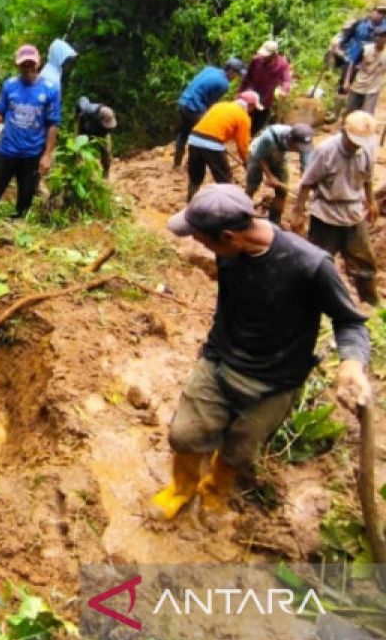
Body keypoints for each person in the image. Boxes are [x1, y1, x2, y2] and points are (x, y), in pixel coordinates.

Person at [151, 184, 371, 520]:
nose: (198, 245)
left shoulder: (311, 266)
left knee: (239, 451)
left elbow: (351, 322)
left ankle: (216, 490)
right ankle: (182, 488)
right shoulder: (229, 252)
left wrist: (351, 364)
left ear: (229, 236)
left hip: (275, 379)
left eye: (200, 239)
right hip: (221, 360)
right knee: (185, 433)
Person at [290, 110, 380, 305]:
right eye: (353, 140)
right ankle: (308, 304)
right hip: (326, 214)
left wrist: (371, 201)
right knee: (317, 263)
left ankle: (372, 305)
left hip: (353, 214)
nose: (356, 145)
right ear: (343, 132)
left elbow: (368, 177)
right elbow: (306, 183)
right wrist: (298, 212)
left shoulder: (366, 149)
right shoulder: (326, 150)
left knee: (364, 264)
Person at [0, 45, 61, 228]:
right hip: (8, 150)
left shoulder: (50, 89)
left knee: (26, 196)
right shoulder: (10, 85)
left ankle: (16, 229)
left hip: (32, 154)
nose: (27, 69)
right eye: (23, 65)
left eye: (30, 64)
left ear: (37, 63)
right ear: (18, 66)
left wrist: (47, 155)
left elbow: (52, 125)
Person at [184, 91, 259, 202]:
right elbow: (242, 146)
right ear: (251, 105)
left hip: (194, 139)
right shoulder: (244, 117)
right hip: (212, 144)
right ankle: (228, 204)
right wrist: (247, 162)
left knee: (196, 177)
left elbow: (211, 125)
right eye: (254, 108)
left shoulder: (220, 105)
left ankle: (191, 201)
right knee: (224, 178)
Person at [175, 58, 246, 168]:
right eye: (236, 74)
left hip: (183, 102)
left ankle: (177, 163)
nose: (235, 78)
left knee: (184, 132)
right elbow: (211, 103)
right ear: (231, 71)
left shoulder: (210, 69)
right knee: (203, 134)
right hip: (194, 107)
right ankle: (191, 164)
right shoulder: (224, 84)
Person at [244, 123, 313, 224]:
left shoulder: (304, 142)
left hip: (280, 158)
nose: (300, 150)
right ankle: (243, 213)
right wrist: (269, 176)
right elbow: (260, 158)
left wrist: (305, 187)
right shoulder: (269, 138)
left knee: (282, 191)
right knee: (252, 185)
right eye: (298, 148)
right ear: (291, 141)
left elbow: (306, 168)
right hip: (258, 156)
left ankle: (275, 221)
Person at [240, 40, 293, 133]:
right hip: (250, 96)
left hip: (265, 98)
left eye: (267, 56)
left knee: (257, 125)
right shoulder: (256, 60)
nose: (263, 57)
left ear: (274, 55)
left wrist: (284, 90)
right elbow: (248, 77)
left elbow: (286, 80)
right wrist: (241, 91)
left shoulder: (282, 64)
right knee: (242, 121)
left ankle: (250, 138)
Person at [332, 5, 386, 92]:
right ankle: (342, 91)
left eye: (383, 13)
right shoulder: (360, 23)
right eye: (378, 12)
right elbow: (348, 35)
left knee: (362, 79)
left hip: (370, 57)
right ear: (372, 12)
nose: (380, 15)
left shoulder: (384, 29)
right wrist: (341, 45)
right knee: (347, 74)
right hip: (353, 51)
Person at [344, 23, 386, 116]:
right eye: (378, 36)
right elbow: (352, 64)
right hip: (359, 84)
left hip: (373, 88)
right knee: (350, 111)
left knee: (367, 115)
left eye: (383, 36)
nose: (381, 39)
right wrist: (347, 81)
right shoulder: (366, 49)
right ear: (374, 37)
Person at [76, 97, 117, 178]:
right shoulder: (88, 111)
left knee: (106, 151)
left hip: (101, 132)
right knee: (79, 150)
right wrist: (79, 137)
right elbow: (82, 100)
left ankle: (106, 174)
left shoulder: (109, 116)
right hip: (86, 130)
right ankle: (80, 171)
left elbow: (108, 131)